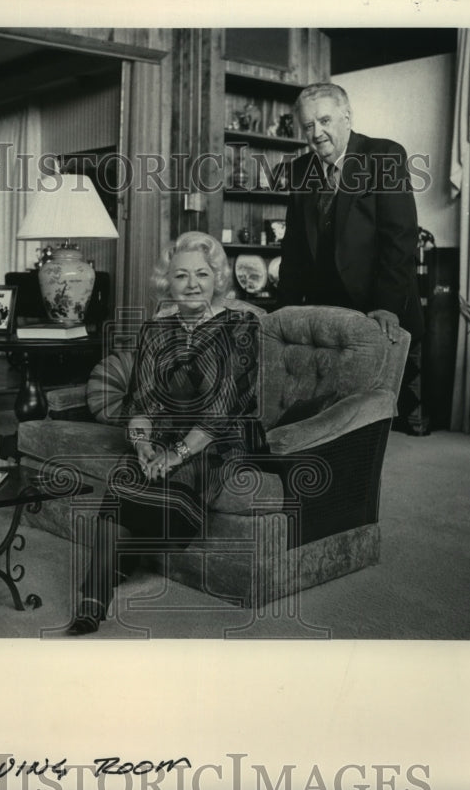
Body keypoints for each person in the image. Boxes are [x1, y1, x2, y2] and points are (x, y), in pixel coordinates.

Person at [66, 231, 266, 635]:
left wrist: (174, 453)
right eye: (181, 276)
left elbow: (223, 408)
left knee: (178, 477)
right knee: (126, 474)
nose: (192, 284)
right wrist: (142, 444)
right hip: (167, 434)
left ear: (217, 279)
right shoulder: (155, 331)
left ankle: (123, 559)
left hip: (222, 438)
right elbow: (142, 403)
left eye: (202, 274)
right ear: (167, 282)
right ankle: (91, 604)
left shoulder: (240, 325)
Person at [277, 82, 424, 345]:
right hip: (324, 324)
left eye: (324, 120)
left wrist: (387, 307)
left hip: (381, 318)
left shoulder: (384, 155)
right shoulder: (300, 170)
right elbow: (293, 249)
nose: (317, 133)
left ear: (346, 118)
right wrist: (282, 313)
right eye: (308, 125)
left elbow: (400, 238)